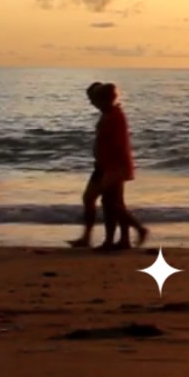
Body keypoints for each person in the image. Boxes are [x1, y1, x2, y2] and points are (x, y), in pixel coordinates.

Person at [69, 81, 147, 251]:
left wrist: (114, 171)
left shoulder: (114, 116)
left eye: (94, 99)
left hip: (113, 167)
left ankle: (131, 233)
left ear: (103, 99)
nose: (91, 103)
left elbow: (118, 145)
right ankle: (101, 238)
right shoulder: (108, 114)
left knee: (112, 204)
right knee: (97, 200)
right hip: (103, 166)